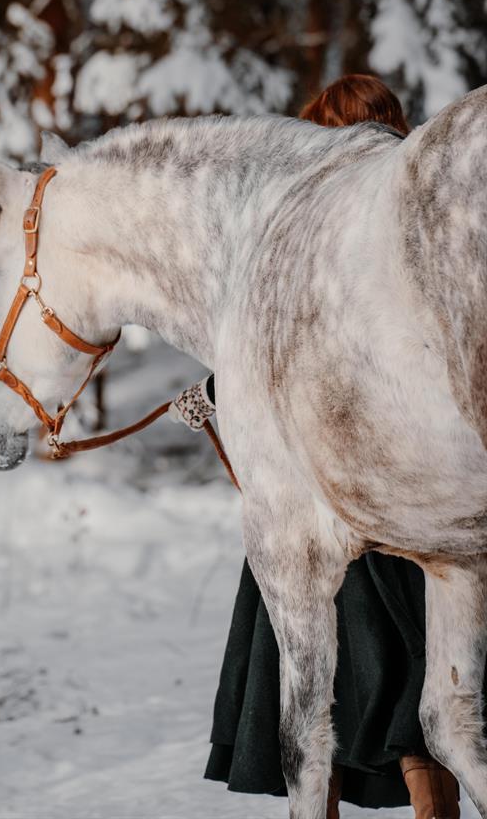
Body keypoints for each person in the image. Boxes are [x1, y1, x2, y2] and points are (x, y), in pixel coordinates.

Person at [170, 75, 466, 819]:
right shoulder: (417, 221)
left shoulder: (330, 228)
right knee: (420, 700)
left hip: (345, 508)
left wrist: (226, 395)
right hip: (410, 497)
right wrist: (217, 394)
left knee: (331, 695)